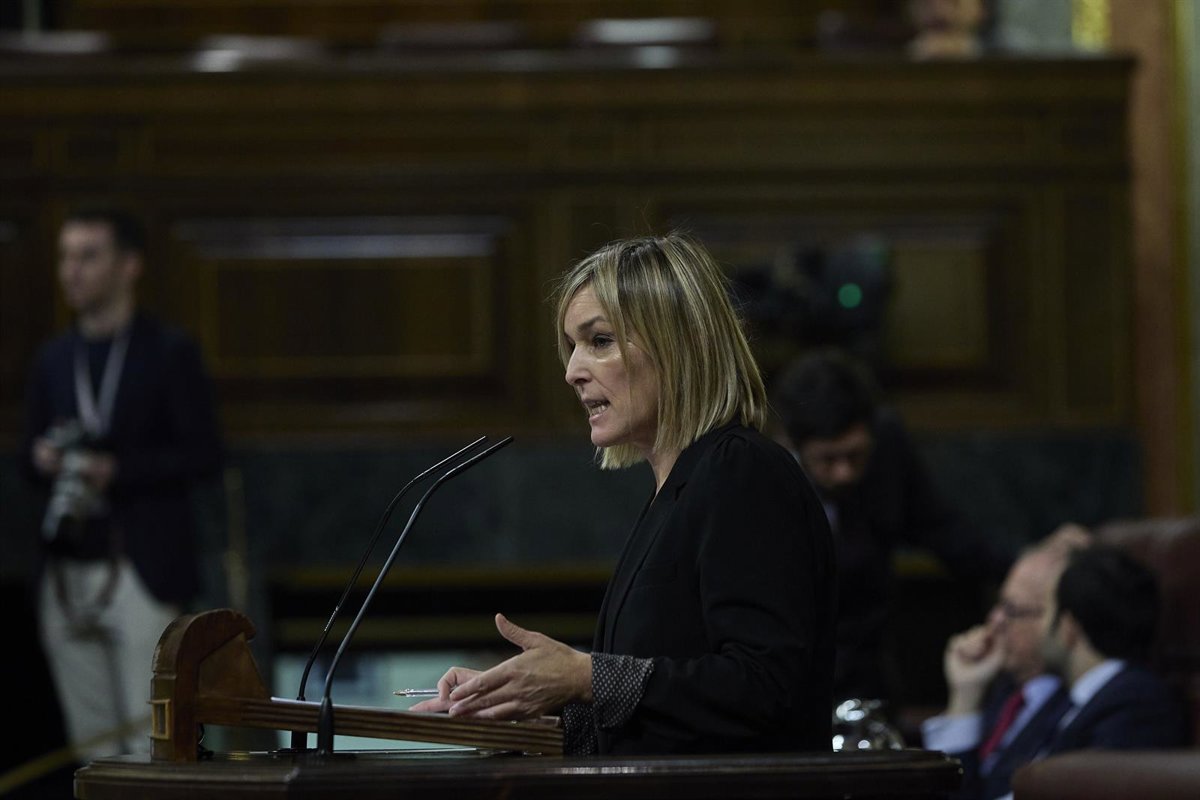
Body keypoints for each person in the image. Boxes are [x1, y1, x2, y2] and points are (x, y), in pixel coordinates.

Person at [413, 233, 837, 755]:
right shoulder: (677, 489)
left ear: (679, 344)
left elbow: (764, 686)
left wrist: (585, 676)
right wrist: (535, 715)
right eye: (572, 346)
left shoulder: (742, 471)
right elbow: (676, 717)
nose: (572, 371)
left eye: (599, 340)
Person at [20, 208, 223, 762]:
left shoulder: (168, 351)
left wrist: (117, 471)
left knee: (149, 744)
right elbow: (23, 460)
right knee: (93, 750)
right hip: (67, 571)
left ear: (129, 265)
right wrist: (43, 458)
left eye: (88, 256)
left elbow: (205, 455)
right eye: (65, 256)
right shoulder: (53, 358)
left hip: (141, 568)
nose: (72, 271)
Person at [770, 349, 1015, 700]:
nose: (844, 472)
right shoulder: (764, 475)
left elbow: (941, 530)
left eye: (855, 455)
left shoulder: (887, 444)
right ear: (792, 444)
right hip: (791, 673)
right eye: (828, 459)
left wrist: (1022, 571)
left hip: (869, 667)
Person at [921, 532, 1086, 800]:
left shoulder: (1079, 704)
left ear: (1066, 623)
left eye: (1013, 610)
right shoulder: (1004, 689)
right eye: (999, 603)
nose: (995, 620)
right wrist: (965, 697)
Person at [1035, 545, 1188, 754]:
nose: (1039, 628)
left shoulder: (1137, 704)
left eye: (1043, 612)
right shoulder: (1063, 698)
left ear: (1068, 628)